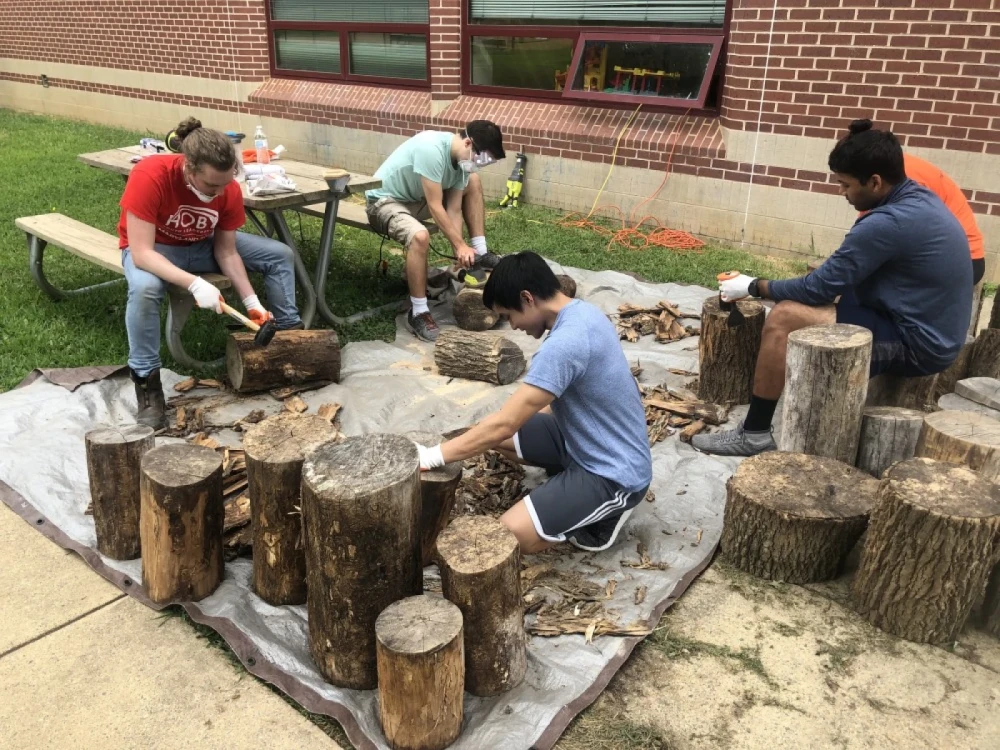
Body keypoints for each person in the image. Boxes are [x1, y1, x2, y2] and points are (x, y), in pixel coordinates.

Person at [692, 119, 972, 457]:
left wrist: (752, 286)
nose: (842, 193)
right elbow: (834, 279)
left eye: (845, 185)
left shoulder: (888, 223)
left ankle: (753, 434)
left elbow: (817, 290)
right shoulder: (915, 198)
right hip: (923, 322)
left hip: (919, 344)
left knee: (784, 317)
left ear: (875, 181)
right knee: (821, 299)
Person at [416, 252, 653, 553]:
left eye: (508, 315)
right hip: (586, 441)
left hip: (614, 472)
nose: (512, 326)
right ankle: (569, 481)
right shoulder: (583, 312)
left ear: (527, 298)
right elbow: (520, 416)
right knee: (493, 435)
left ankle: (606, 514)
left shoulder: (565, 344)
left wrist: (432, 457)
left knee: (509, 536)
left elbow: (505, 423)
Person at [119, 117, 301, 429]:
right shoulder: (150, 175)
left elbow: (227, 251)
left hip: (202, 245)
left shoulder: (226, 187)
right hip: (156, 250)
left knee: (279, 255)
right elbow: (141, 253)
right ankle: (147, 384)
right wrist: (194, 284)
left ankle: (288, 341)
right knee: (146, 289)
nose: (220, 192)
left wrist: (251, 301)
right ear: (188, 168)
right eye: (212, 185)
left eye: (226, 183)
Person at [365, 121, 506, 342]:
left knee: (474, 181)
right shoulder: (430, 149)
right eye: (480, 160)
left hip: (414, 200)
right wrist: (460, 245)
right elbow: (435, 206)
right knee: (420, 237)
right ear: (468, 143)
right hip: (383, 202)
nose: (478, 165)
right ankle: (419, 312)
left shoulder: (461, 161)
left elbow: (453, 209)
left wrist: (460, 252)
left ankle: (480, 252)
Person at [896, 153, 985, 284]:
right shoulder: (889, 172)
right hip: (942, 255)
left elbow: (908, 234)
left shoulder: (906, 178)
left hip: (960, 260)